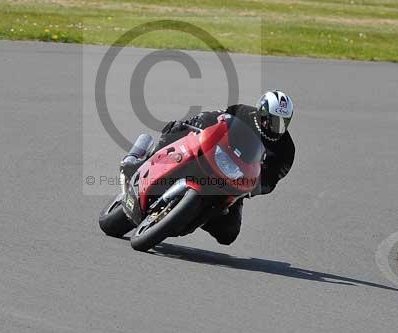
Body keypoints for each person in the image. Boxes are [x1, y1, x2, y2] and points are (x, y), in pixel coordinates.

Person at [121, 90, 296, 245]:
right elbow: (216, 118)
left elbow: (270, 181)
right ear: (261, 112)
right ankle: (143, 162)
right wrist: (193, 123)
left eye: (281, 122)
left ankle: (197, 215)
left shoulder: (286, 150)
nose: (275, 126)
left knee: (228, 234)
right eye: (271, 119)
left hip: (236, 180)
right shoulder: (243, 112)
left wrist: (254, 187)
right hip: (212, 156)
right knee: (178, 134)